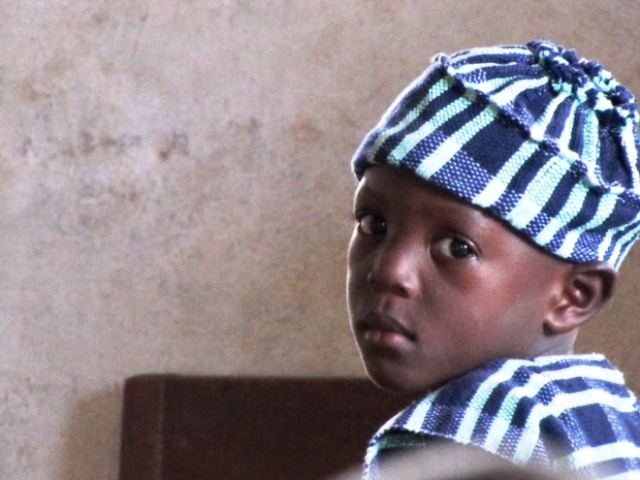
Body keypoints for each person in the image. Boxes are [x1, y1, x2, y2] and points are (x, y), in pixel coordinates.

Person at [347, 39, 640, 479]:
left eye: (457, 248)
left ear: (573, 296)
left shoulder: (474, 425)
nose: (389, 272)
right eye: (374, 224)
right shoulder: (608, 411)